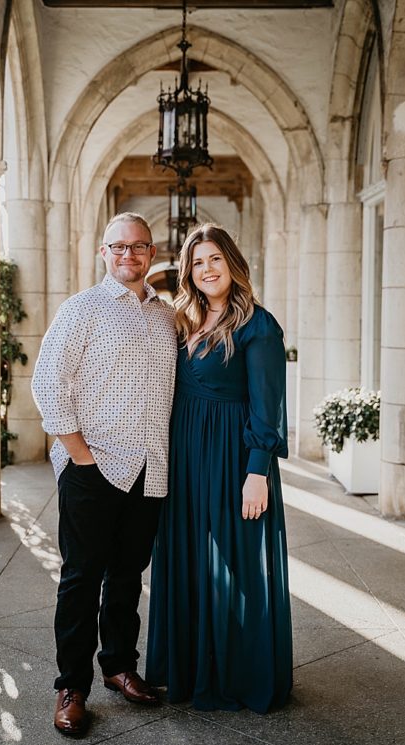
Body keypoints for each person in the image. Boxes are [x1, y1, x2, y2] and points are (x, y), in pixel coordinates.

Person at [31, 212, 178, 737]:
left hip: (149, 470)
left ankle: (118, 665)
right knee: (79, 580)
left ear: (152, 252)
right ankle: (72, 687)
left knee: (126, 575)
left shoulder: (166, 317)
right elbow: (48, 384)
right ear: (103, 251)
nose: (129, 256)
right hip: (92, 466)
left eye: (139, 247)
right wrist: (80, 455)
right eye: (119, 247)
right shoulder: (81, 310)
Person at [146, 223, 292, 712]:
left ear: (232, 262)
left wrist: (257, 471)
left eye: (215, 259)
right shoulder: (183, 319)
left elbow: (265, 406)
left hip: (232, 456)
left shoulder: (258, 325)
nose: (206, 269)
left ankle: (239, 673)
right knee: (188, 557)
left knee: (237, 563)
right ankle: (189, 668)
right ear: (187, 270)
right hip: (184, 455)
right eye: (197, 261)